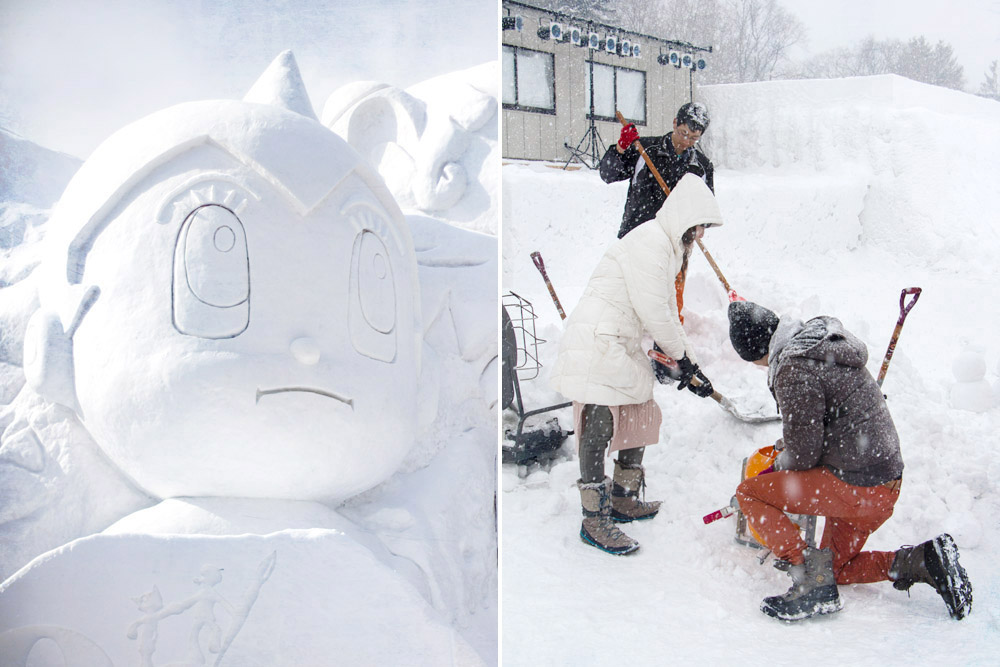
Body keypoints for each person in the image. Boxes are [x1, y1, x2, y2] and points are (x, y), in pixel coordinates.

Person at [727, 300, 974, 621]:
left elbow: (803, 454)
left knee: (750, 492)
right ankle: (923, 560)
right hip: (884, 481)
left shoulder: (792, 365)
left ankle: (808, 578)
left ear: (756, 349)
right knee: (835, 568)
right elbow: (825, 421)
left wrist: (777, 467)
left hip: (856, 485)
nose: (758, 366)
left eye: (753, 360)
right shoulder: (817, 346)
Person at [549, 174, 722, 555]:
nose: (701, 235)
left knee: (641, 410)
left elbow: (666, 316)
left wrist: (691, 364)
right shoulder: (651, 243)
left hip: (619, 337)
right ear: (684, 219)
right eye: (699, 226)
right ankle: (594, 519)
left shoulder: (664, 246)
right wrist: (684, 360)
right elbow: (656, 313)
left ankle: (624, 496)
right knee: (599, 419)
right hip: (599, 337)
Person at [600, 102, 714, 327]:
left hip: (676, 241)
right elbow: (608, 173)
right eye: (683, 133)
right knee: (630, 290)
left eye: (693, 138)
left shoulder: (701, 166)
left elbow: (707, 208)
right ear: (674, 123)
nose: (686, 141)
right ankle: (626, 332)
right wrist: (621, 148)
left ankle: (669, 341)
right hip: (637, 235)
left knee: (671, 295)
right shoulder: (645, 149)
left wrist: (701, 224)